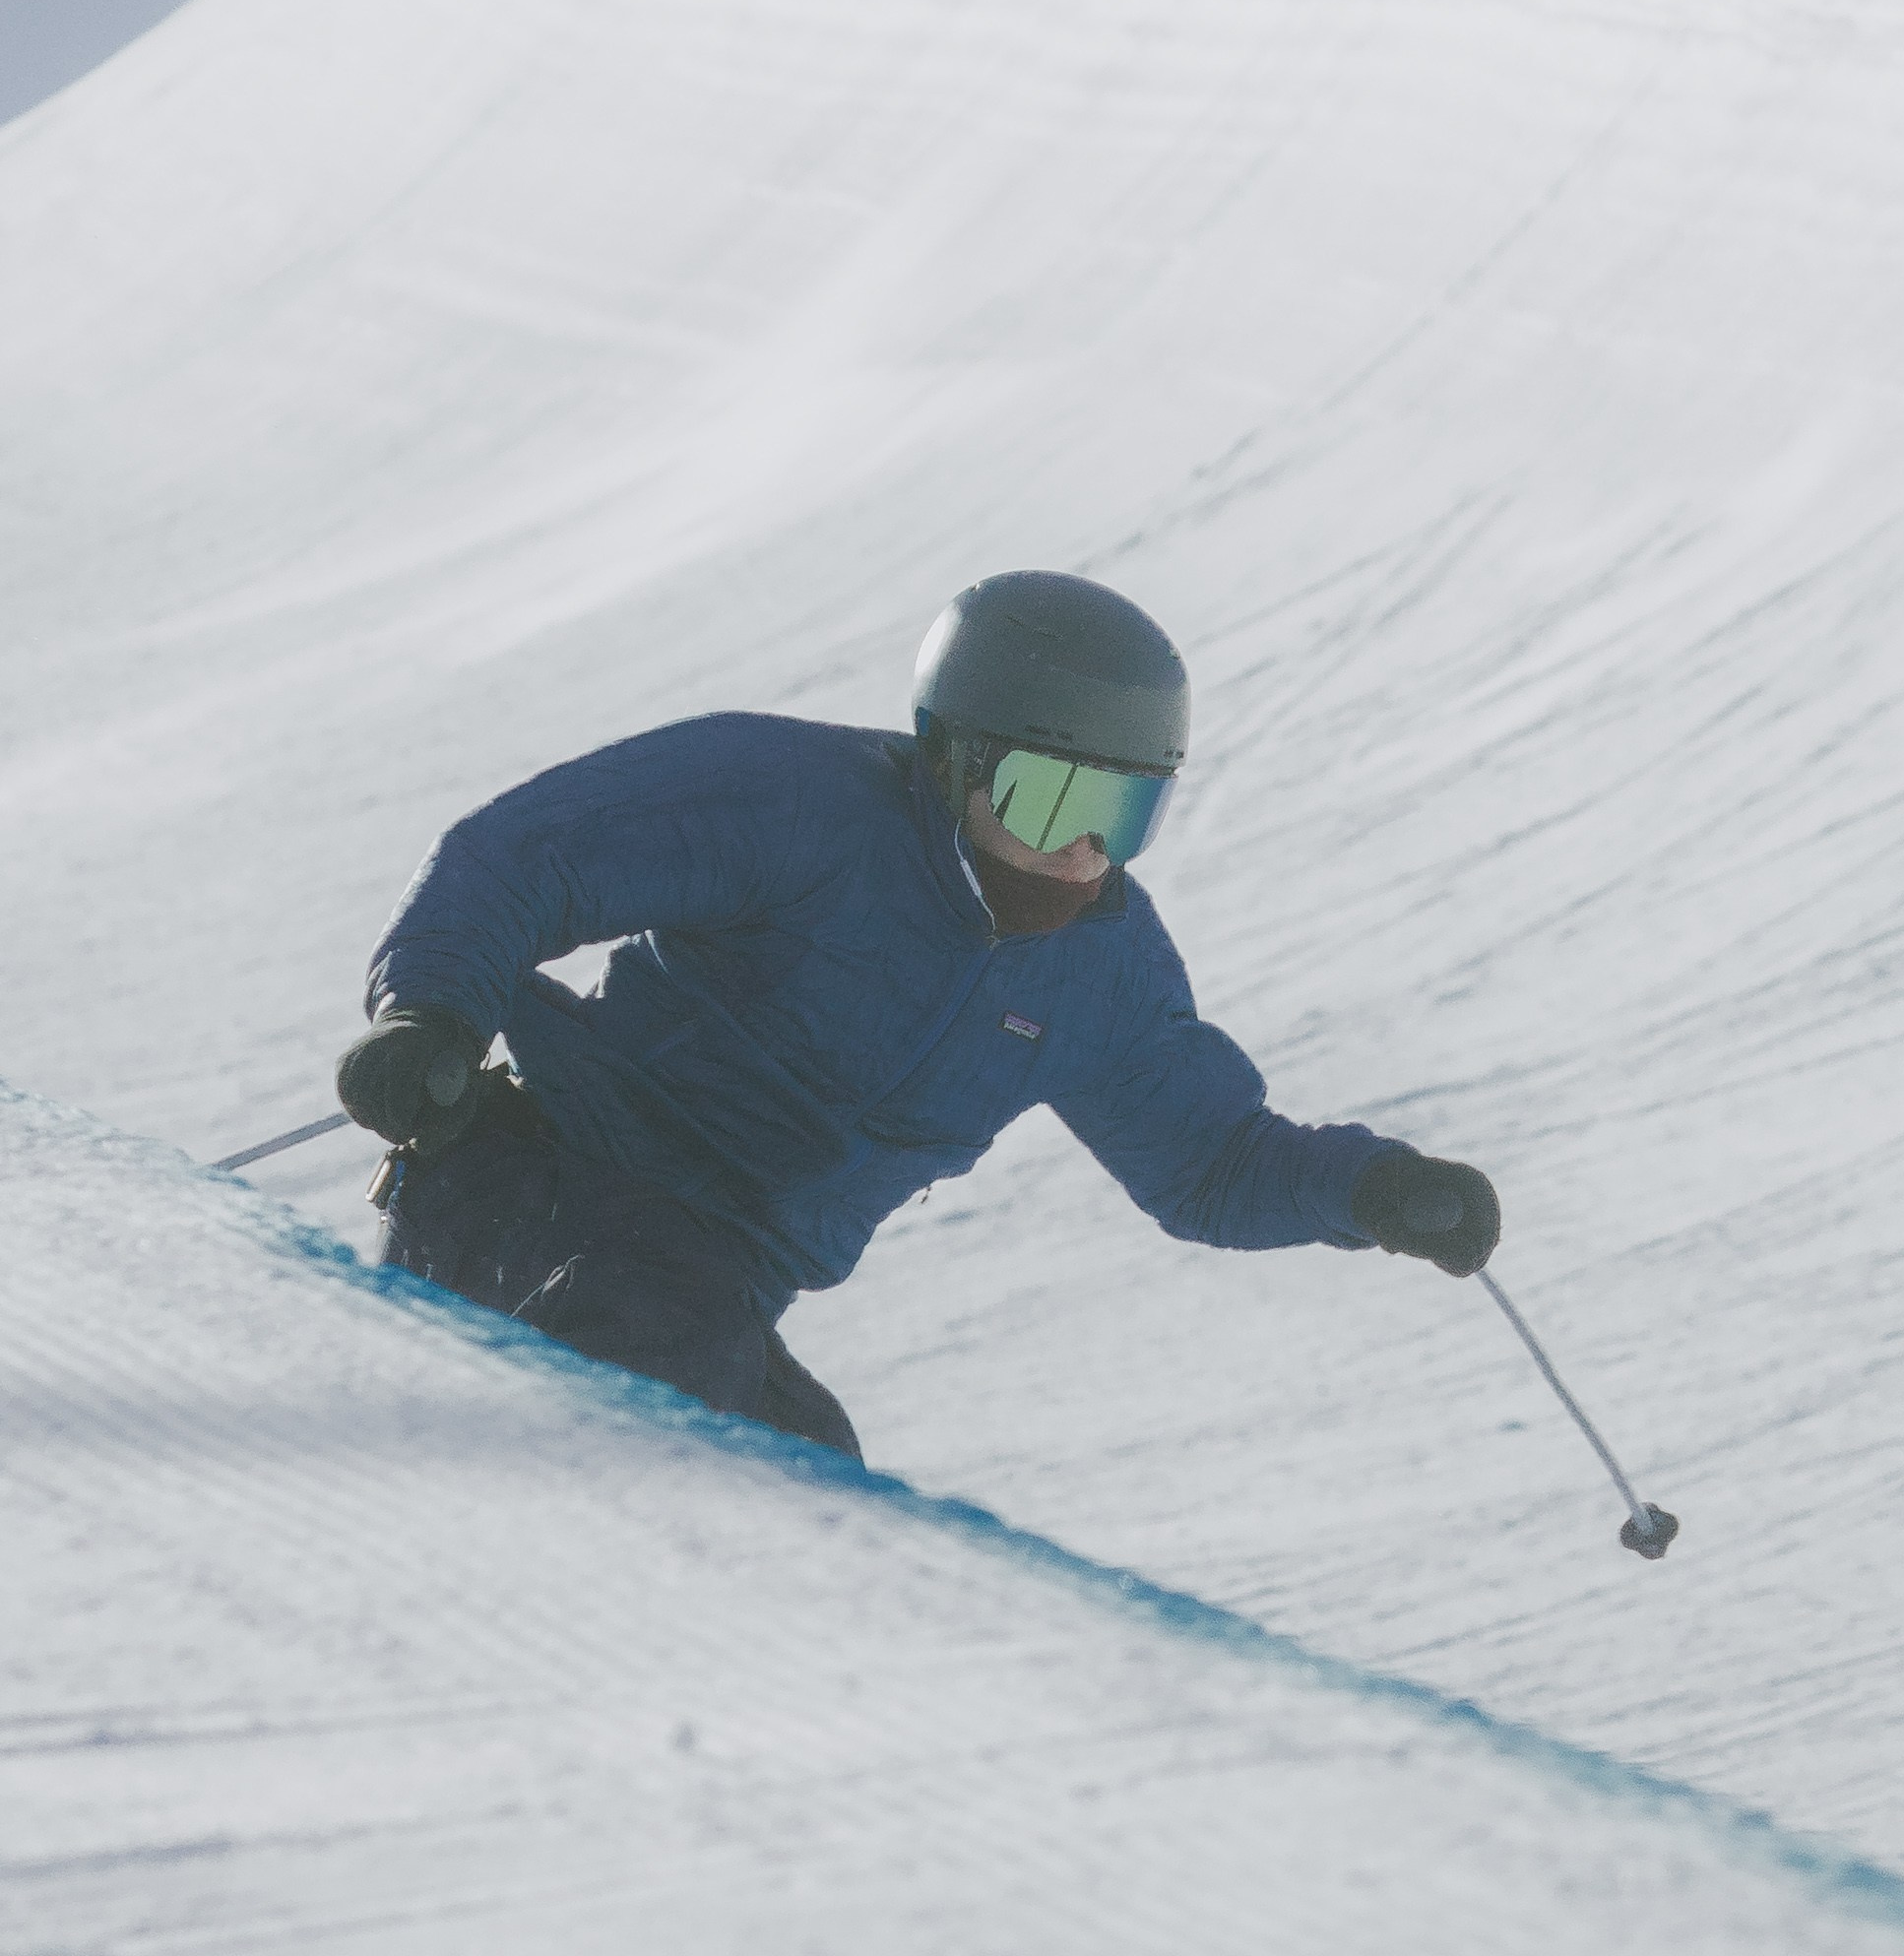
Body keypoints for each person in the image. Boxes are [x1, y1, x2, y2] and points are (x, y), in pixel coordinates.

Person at [337, 571, 1499, 1463]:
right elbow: (529, 860)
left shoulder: (1097, 974)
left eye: (1124, 811)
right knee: (694, 1444)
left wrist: (1374, 1191)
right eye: (1051, 796)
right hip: (540, 1179)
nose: (1083, 848)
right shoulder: (801, 808)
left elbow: (1210, 1161)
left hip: (716, 1276)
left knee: (819, 1488)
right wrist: (429, 1018)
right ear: (955, 758)